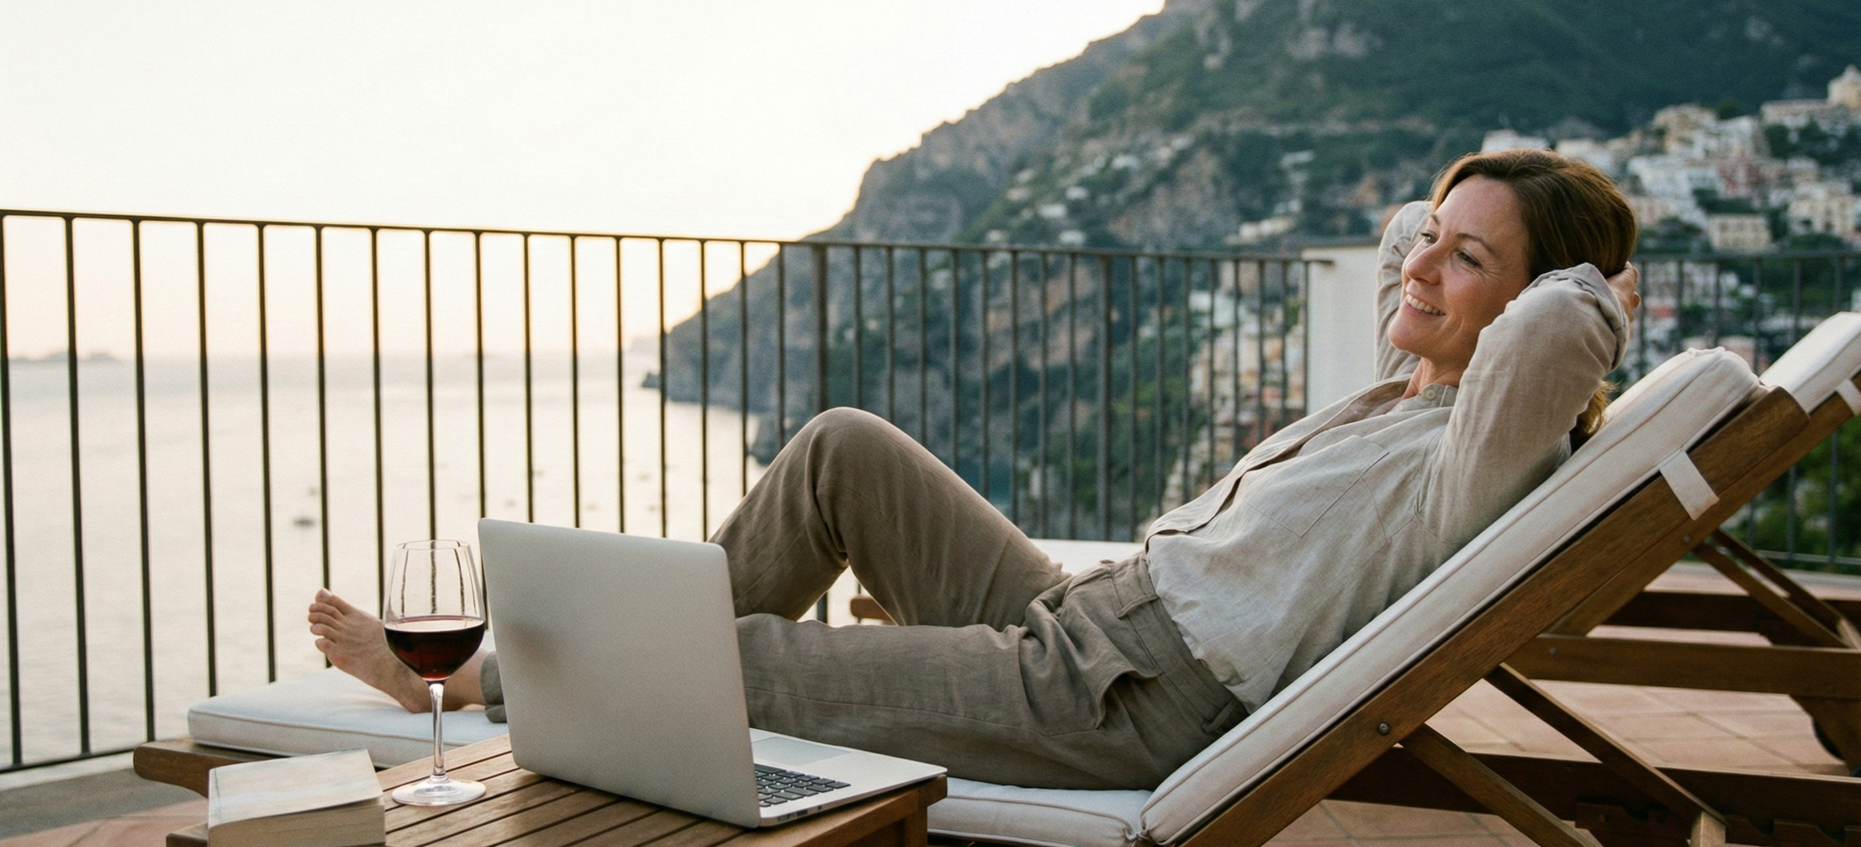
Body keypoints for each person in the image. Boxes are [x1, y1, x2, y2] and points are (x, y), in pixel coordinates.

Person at [311, 148, 1640, 791]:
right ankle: (621, 659)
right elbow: (1450, 266)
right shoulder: (1413, 391)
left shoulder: (1476, 447)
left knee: (760, 659)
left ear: (1538, 304)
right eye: (1432, 236)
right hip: (1096, 613)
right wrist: (1463, 231)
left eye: (1468, 258)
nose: (1418, 262)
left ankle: (480, 681)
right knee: (841, 451)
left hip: (1121, 701)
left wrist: (1578, 259)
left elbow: (1564, 322)